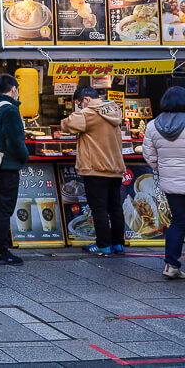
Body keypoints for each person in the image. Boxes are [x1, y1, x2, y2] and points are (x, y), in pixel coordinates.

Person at [61, 86, 126, 256]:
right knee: (115, 207)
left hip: (96, 169)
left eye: (79, 104)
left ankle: (103, 245)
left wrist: (80, 112)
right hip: (115, 167)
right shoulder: (113, 109)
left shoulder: (89, 113)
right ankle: (118, 243)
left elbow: (66, 124)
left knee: (99, 209)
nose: (80, 107)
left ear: (87, 100)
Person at [0, 73, 29, 266]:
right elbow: (15, 140)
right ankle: (1, 251)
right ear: (14, 89)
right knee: (5, 209)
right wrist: (24, 156)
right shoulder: (10, 110)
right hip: (8, 165)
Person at [143, 86, 185, 279]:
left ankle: (171, 265)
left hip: (171, 183)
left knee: (177, 222)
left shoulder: (153, 125)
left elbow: (149, 157)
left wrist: (163, 168)